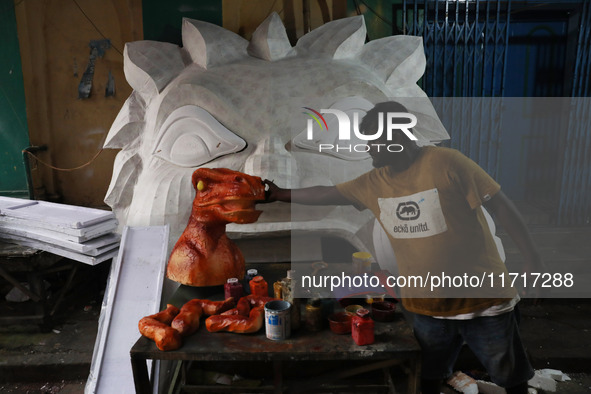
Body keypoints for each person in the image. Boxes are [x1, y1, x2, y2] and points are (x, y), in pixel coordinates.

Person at [264, 101, 544, 394]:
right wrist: (279, 194)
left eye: (374, 140)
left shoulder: (447, 163)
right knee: (429, 375)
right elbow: (326, 193)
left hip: (485, 302)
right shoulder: (375, 182)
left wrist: (532, 259)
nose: (368, 148)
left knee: (512, 379)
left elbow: (501, 205)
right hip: (427, 307)